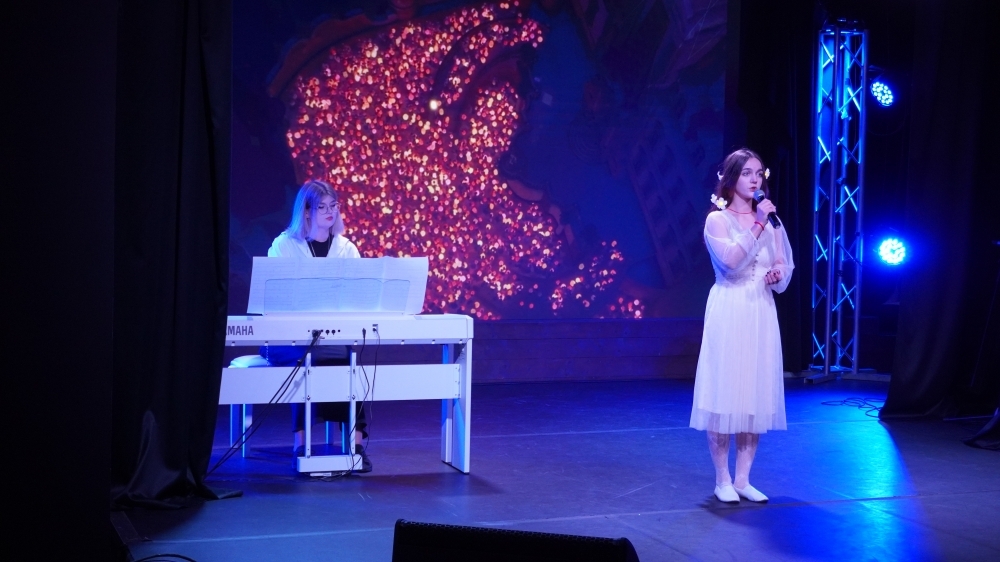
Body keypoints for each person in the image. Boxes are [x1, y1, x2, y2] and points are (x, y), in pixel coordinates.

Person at [689, 148, 794, 503]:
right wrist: (758, 223)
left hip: (760, 311)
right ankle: (722, 479)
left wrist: (777, 274)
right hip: (731, 308)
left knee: (754, 395)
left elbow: (783, 265)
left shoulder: (772, 222)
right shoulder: (717, 220)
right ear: (731, 177)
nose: (755, 179)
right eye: (747, 173)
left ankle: (743, 479)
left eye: (759, 173)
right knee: (725, 393)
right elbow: (732, 262)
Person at [263, 179, 371, 473]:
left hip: (329, 338)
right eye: (322, 207)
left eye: (333, 206)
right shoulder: (285, 246)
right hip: (286, 339)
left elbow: (357, 296)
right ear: (307, 211)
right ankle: (301, 444)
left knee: (350, 364)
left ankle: (356, 446)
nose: (330, 212)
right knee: (306, 361)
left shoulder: (346, 248)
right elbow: (273, 297)